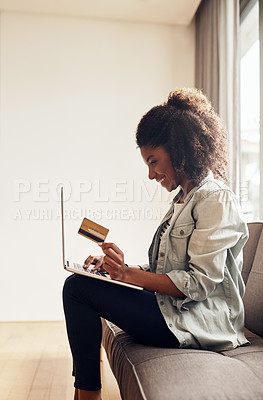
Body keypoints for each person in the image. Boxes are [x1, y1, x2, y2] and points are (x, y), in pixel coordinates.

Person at [63, 88, 249, 400]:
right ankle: (86, 394)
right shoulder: (185, 199)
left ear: (181, 152)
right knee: (82, 284)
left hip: (197, 323)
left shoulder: (215, 199)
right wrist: (120, 268)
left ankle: (86, 396)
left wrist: (127, 275)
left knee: (77, 290)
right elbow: (168, 270)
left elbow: (198, 285)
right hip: (175, 312)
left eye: (154, 161)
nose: (150, 174)